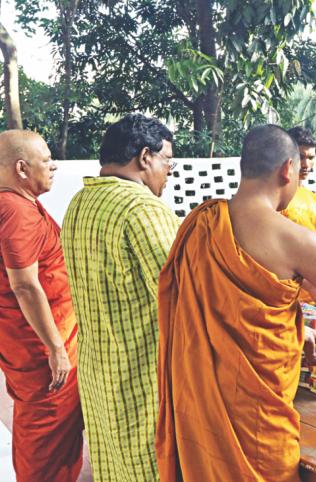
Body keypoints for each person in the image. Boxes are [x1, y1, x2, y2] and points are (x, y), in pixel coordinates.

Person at [156, 124, 316, 481]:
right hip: (257, 413)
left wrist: (299, 329)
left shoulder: (202, 223)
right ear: (287, 169)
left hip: (203, 402)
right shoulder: (295, 239)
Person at [62, 114, 180, 480]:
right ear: (145, 157)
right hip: (142, 381)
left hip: (99, 376)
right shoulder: (143, 208)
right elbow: (183, 296)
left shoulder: (80, 203)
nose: (169, 172)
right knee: (150, 469)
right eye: (168, 161)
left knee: (113, 467)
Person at [0, 130, 84, 481]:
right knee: (46, 437)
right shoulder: (14, 210)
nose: (53, 166)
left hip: (36, 341)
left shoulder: (19, 204)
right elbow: (24, 285)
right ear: (22, 168)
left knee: (51, 436)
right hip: (42, 349)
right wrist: (55, 349)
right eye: (46, 160)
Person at [282, 126, 316, 236]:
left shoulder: (313, 198)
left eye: (311, 158)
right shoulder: (277, 200)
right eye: (300, 157)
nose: (306, 164)